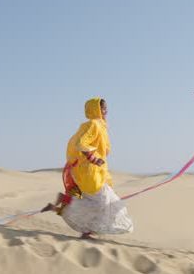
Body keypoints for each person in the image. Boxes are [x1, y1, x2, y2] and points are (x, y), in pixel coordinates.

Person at [42, 98, 133, 239]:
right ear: (96, 109)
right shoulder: (93, 125)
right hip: (90, 172)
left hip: (94, 172)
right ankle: (83, 226)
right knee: (106, 204)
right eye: (103, 108)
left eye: (106, 108)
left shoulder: (97, 126)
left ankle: (67, 205)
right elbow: (81, 143)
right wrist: (93, 158)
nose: (106, 111)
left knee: (98, 203)